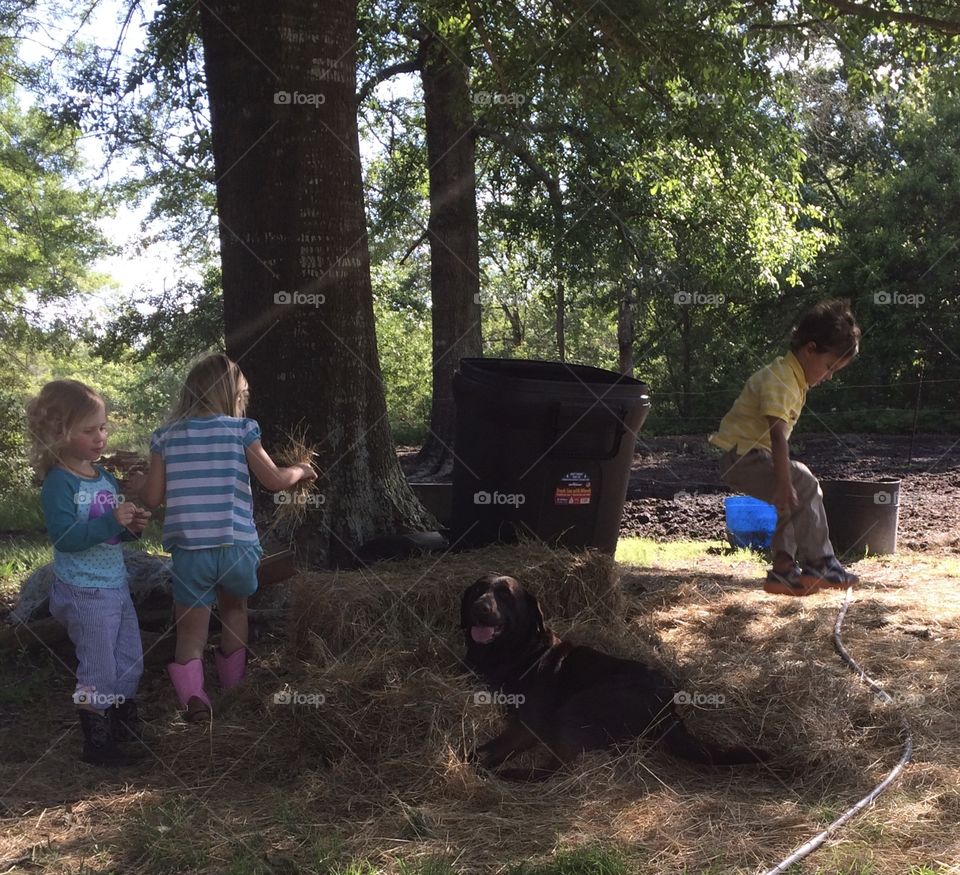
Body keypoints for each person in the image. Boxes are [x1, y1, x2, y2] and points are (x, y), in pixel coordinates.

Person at [135, 354, 316, 721]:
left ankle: (194, 698)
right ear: (232, 395)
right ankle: (234, 688)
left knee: (190, 630)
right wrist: (302, 468)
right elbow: (274, 481)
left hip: (190, 551)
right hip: (236, 547)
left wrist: (137, 485)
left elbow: (152, 499)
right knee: (235, 610)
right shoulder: (241, 430)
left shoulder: (165, 436)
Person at [26, 380, 151, 766]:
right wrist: (111, 521)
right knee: (98, 665)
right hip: (83, 591)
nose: (101, 436)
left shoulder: (104, 479)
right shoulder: (59, 483)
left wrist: (131, 528)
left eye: (103, 427)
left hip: (114, 585)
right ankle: (96, 742)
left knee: (130, 659)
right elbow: (66, 538)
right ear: (60, 433)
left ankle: (121, 723)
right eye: (89, 429)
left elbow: (108, 536)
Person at [710, 299, 861, 596]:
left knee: (792, 495)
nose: (828, 376)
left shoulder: (793, 379)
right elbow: (778, 435)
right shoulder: (781, 379)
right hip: (742, 456)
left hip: (749, 455)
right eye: (829, 367)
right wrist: (783, 479)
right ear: (810, 349)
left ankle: (783, 571)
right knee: (802, 481)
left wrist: (784, 483)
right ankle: (820, 563)